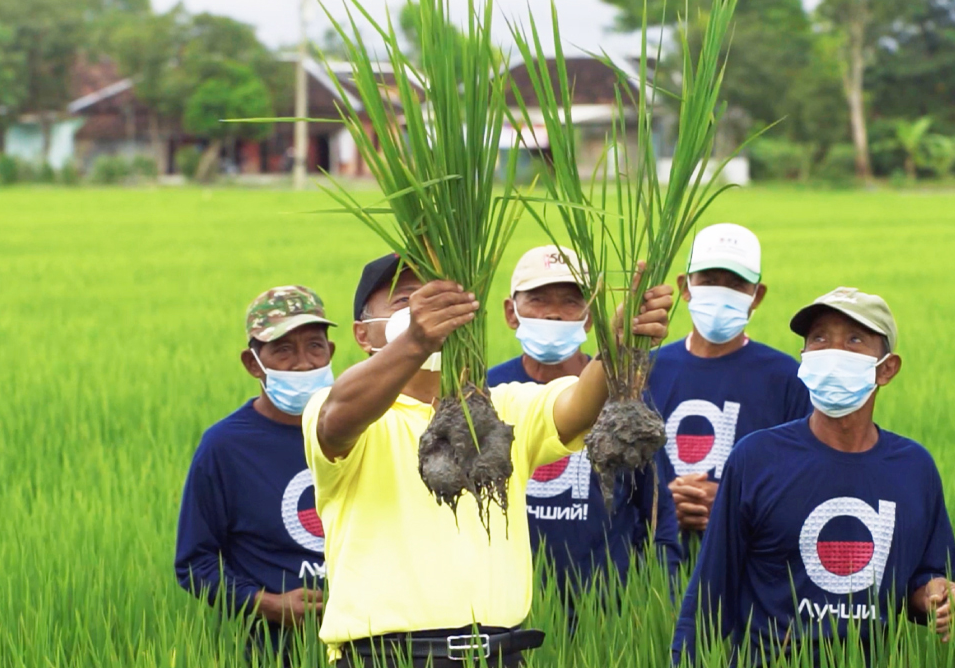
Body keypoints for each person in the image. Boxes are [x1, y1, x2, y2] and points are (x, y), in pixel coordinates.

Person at [302, 253, 674, 667]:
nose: (427, 311)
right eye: (406, 300)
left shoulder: (500, 408)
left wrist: (618, 341)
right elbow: (336, 422)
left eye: (440, 298)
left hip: (497, 655)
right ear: (362, 333)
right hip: (387, 657)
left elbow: (577, 406)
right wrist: (414, 342)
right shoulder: (341, 412)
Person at [673, 287, 955, 666]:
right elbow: (711, 588)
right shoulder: (756, 458)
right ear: (804, 359)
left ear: (887, 369)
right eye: (820, 339)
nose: (833, 351)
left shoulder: (913, 468)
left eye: (855, 339)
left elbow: (925, 579)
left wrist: (938, 595)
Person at [488, 245, 681, 599]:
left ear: (590, 317)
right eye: (539, 300)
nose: (555, 315)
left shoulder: (625, 395)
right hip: (506, 605)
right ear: (510, 312)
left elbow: (657, 510)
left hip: (606, 606)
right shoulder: (488, 392)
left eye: (571, 302)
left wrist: (665, 599)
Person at [175, 286, 337, 659]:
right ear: (253, 364)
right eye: (283, 350)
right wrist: (268, 604)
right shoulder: (226, 447)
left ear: (330, 354)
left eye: (314, 346)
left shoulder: (366, 426)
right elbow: (195, 563)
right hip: (272, 648)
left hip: (371, 643)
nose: (303, 363)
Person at [647, 223, 810, 552]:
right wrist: (662, 505)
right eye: (709, 281)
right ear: (685, 287)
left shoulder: (788, 378)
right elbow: (613, 476)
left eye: (736, 284)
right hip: (655, 562)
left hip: (747, 564)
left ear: (757, 295)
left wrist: (733, 502)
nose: (721, 292)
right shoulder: (646, 371)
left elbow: (805, 481)